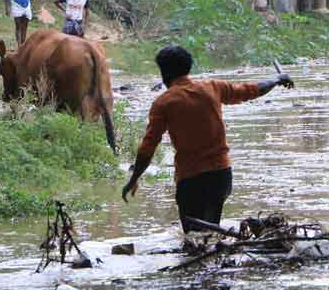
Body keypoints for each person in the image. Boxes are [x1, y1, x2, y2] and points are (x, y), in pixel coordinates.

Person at [122, 46, 294, 233]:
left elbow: (148, 146)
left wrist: (134, 178)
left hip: (191, 180)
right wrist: (277, 79)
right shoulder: (212, 88)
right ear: (188, 67)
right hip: (221, 176)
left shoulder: (163, 103)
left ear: (164, 72)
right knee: (210, 233)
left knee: (194, 238)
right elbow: (252, 90)